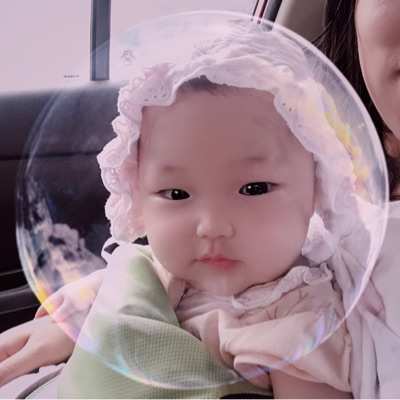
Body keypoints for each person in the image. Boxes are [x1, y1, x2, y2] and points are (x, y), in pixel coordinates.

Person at [0, 7, 390, 398]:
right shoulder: (147, 270)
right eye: (176, 194)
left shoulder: (294, 321)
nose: (212, 225)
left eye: (254, 188)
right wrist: (76, 325)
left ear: (318, 189)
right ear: (137, 195)